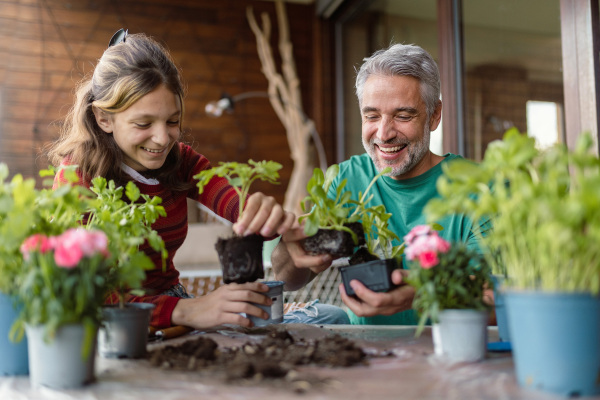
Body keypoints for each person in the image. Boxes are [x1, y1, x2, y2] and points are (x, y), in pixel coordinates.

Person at [47, 29, 303, 330]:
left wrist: (265, 217)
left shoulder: (182, 162)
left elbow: (233, 203)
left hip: (173, 305)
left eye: (173, 121)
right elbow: (84, 293)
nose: (162, 138)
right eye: (144, 123)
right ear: (104, 119)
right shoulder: (77, 178)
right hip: (111, 321)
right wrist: (188, 310)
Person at [271, 43, 486, 326]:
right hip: (364, 354)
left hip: (450, 353)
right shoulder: (350, 178)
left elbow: (499, 295)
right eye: (371, 116)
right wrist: (293, 248)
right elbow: (286, 280)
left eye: (403, 115)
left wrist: (423, 293)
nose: (383, 134)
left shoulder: (479, 188)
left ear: (434, 116)